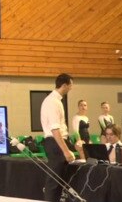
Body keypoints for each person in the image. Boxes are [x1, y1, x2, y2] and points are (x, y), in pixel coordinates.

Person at [40, 73, 76, 202]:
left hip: (55, 143)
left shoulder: (54, 100)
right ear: (64, 85)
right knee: (54, 182)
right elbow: (55, 130)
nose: (71, 88)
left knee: (58, 182)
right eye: (70, 85)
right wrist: (66, 151)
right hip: (55, 144)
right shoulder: (53, 102)